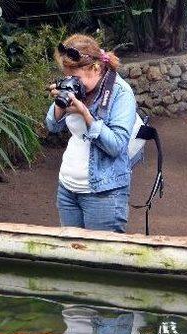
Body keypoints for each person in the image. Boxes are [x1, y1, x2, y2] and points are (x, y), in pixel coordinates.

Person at [46, 34, 138, 233]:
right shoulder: (73, 86)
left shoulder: (120, 92)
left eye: (75, 77)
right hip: (67, 188)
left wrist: (85, 114)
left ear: (95, 67)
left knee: (103, 258)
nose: (71, 81)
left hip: (103, 192)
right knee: (72, 255)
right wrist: (59, 103)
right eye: (67, 75)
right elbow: (52, 127)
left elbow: (116, 146)